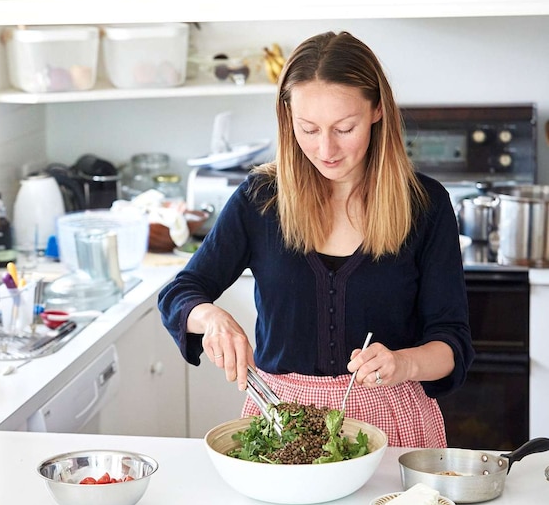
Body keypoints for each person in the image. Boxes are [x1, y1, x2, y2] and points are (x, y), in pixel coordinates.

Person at [158, 31, 474, 448]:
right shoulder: (261, 199)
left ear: (378, 110)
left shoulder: (425, 204)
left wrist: (401, 363)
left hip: (392, 423)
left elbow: (452, 342)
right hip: (281, 426)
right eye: (308, 129)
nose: (326, 149)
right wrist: (212, 319)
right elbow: (181, 292)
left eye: (345, 128)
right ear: (289, 119)